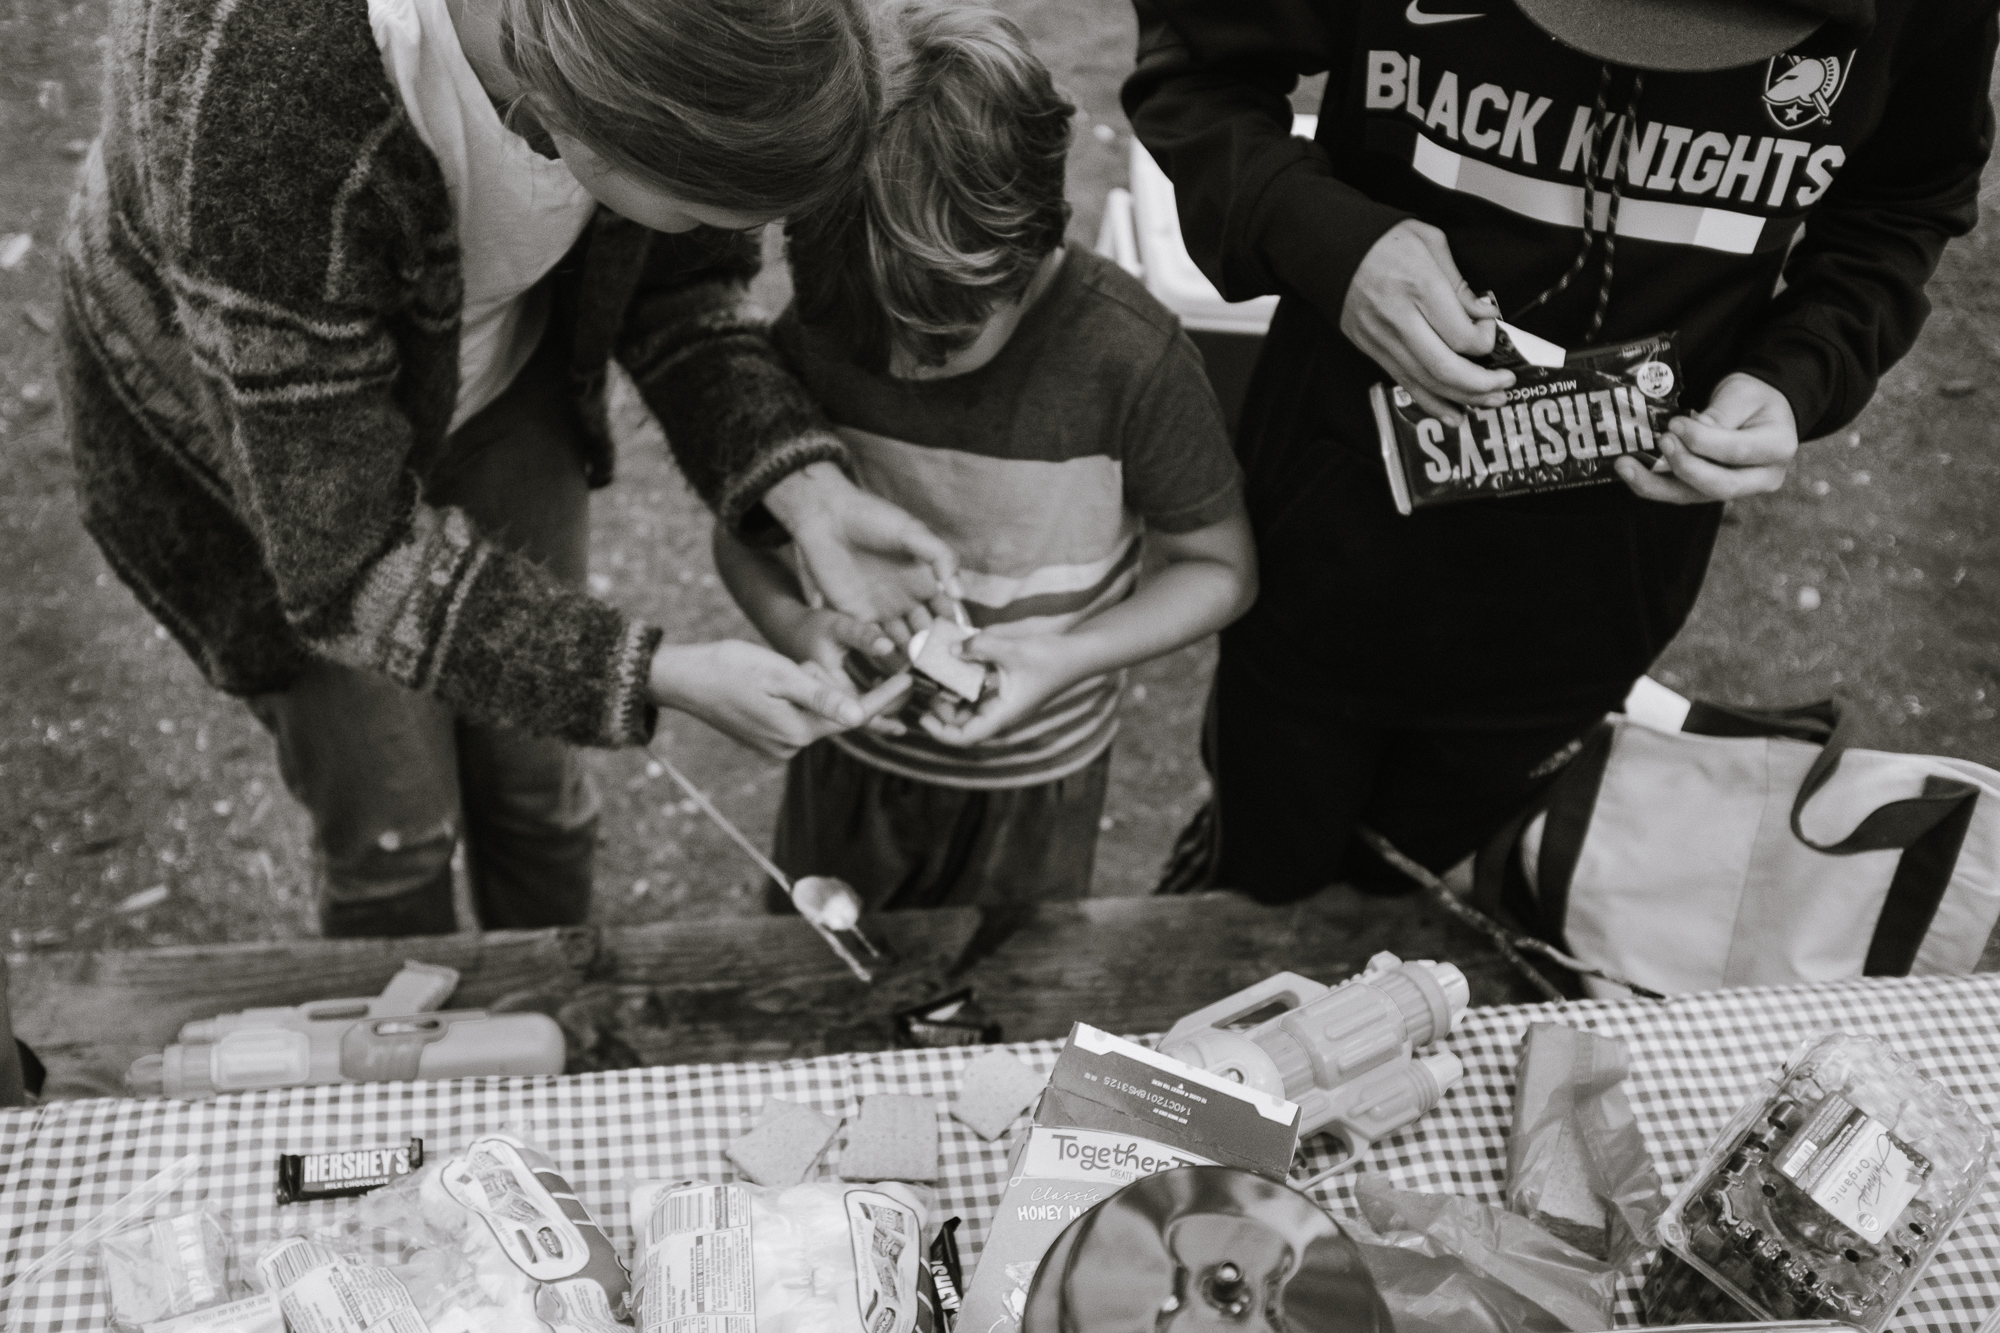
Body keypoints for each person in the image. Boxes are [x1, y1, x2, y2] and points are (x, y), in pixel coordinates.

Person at [56, 0, 958, 937]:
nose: (702, 233)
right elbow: (349, 560)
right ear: (579, 119)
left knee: (536, 787)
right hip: (254, 443)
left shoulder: (663, 68)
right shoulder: (254, 90)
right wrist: (649, 672)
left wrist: (806, 490)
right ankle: (421, 1072)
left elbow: (676, 286)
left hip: (490, 374)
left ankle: (551, 1027)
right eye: (696, 211)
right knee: (397, 833)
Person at [1124, 0, 1996, 900]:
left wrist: (1796, 374)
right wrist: (1326, 241)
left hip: (1595, 592)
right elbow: (1196, 75)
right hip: (1327, 535)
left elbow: (1907, 196)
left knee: (1407, 885)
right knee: (1258, 876)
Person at [713, 0, 1257, 910]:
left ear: (1033, 241)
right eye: (865, 344)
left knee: (1012, 994)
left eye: (939, 341)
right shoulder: (817, 335)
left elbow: (1220, 569)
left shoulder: (1129, 357)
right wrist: (801, 631)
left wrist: (1060, 661)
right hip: (850, 768)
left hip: (1041, 779)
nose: (892, 366)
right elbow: (745, 542)